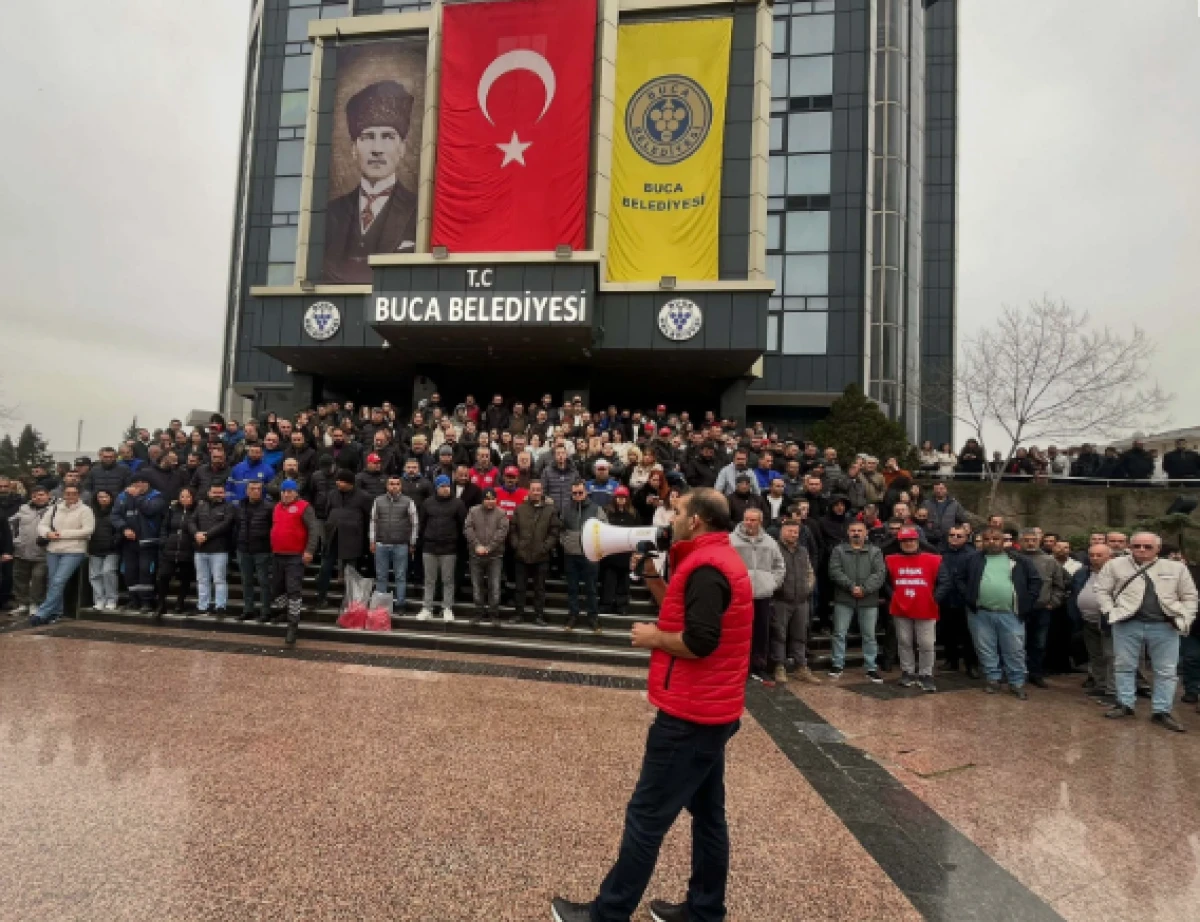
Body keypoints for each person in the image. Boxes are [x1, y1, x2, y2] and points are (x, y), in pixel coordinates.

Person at [551, 489, 752, 922]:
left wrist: (652, 639)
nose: (671, 516)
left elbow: (699, 641)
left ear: (696, 520)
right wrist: (652, 577)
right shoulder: (712, 559)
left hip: (690, 715)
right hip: (712, 711)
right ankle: (704, 910)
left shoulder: (706, 568)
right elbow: (682, 615)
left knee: (646, 818)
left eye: (678, 511)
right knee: (709, 817)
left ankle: (608, 914)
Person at [1096, 532, 1198, 732]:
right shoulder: (1114, 565)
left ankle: (1161, 711)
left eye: (1147, 547)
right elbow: (1101, 590)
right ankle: (1125, 704)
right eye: (1137, 546)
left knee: (1166, 671)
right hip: (1127, 623)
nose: (1141, 550)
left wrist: (1185, 618)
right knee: (1124, 665)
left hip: (1165, 625)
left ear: (1158, 549)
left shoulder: (1176, 568)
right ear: (1130, 546)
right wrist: (1110, 611)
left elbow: (1190, 596)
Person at [322, 80, 417, 284]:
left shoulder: (420, 212)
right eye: (367, 137)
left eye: (388, 137)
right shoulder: (330, 214)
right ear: (354, 149)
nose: (377, 148)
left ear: (402, 148)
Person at [955, 526, 1042, 698]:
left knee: (1015, 650)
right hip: (980, 613)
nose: (991, 542)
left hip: (1011, 613)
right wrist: (969, 596)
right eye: (987, 539)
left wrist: (1026, 601)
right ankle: (992, 679)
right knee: (986, 649)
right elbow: (959, 578)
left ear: (1004, 541)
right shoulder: (972, 559)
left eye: (995, 539)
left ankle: (1016, 682)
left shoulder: (1020, 560)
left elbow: (1035, 581)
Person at [730, 507, 785, 679]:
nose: (749, 523)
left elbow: (779, 566)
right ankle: (740, 667)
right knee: (739, 634)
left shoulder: (770, 542)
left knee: (761, 633)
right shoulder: (731, 540)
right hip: (740, 595)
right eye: (746, 519)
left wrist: (771, 584)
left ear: (760, 521)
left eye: (753, 520)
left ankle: (758, 667)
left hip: (762, 595)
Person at [885, 527, 943, 691]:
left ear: (918, 541)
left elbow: (944, 581)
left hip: (926, 607)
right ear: (899, 543)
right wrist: (894, 596)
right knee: (904, 642)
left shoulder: (934, 559)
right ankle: (908, 672)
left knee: (926, 643)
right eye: (904, 540)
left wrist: (934, 598)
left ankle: (926, 674)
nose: (908, 543)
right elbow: (886, 582)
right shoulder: (890, 559)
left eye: (911, 540)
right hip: (901, 607)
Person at [827, 522, 886, 681]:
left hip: (868, 599)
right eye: (853, 530)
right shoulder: (839, 550)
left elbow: (879, 574)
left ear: (866, 532)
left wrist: (864, 589)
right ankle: (837, 664)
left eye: (860, 530)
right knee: (839, 633)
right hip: (844, 598)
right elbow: (834, 571)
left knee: (869, 635)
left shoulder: (875, 551)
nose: (856, 533)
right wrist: (852, 587)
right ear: (848, 532)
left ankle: (871, 667)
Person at [31, 483, 95, 625]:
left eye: (73, 493)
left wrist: (62, 534)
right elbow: (42, 525)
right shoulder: (54, 508)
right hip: (53, 550)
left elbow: (87, 530)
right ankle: (56, 612)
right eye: (67, 493)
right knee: (53, 581)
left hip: (74, 550)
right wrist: (47, 533)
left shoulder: (85, 510)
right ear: (63, 494)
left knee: (59, 581)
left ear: (78, 495)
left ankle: (42, 613)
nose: (70, 496)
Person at [270, 479, 321, 645]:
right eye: (284, 491)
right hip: (278, 554)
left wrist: (309, 550)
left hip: (295, 556)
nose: (286, 494)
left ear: (296, 492)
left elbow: (314, 529)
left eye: (289, 491)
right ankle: (286, 611)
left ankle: (293, 625)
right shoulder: (277, 507)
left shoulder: (304, 507)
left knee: (293, 590)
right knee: (277, 589)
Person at [1018, 527, 1067, 688]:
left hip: (1042, 608)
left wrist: (1053, 602)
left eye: (1033, 540)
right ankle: (1018, 673)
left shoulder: (1049, 561)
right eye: (1027, 540)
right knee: (1017, 642)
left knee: (1038, 643)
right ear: (1021, 541)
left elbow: (1059, 585)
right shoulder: (1014, 559)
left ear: (1039, 541)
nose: (1030, 543)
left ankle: (1036, 673)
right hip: (1017, 608)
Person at [316, 470, 373, 607]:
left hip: (353, 539)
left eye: (341, 481)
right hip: (332, 537)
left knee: (351, 572)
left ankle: (350, 601)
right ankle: (321, 597)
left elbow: (368, 518)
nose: (338, 483)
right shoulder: (332, 494)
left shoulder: (364, 497)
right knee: (325, 569)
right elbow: (327, 511)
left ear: (350, 483)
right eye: (337, 480)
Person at [771, 520, 818, 685]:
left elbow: (810, 572)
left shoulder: (803, 551)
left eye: (796, 532)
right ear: (782, 531)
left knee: (800, 635)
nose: (793, 534)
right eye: (790, 531)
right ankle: (779, 666)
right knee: (779, 635)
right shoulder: (774, 549)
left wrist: (808, 588)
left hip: (801, 600)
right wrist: (777, 588)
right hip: (781, 599)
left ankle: (801, 667)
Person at [112, 474, 167, 612]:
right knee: (130, 571)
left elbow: (149, 510)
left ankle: (147, 602)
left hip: (148, 541)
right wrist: (124, 528)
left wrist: (137, 497)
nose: (140, 484)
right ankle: (134, 600)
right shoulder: (123, 496)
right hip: (128, 542)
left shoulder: (156, 496)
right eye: (136, 482)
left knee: (146, 572)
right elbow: (115, 515)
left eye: (143, 482)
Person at [509, 481, 560, 626]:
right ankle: (519, 614)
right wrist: (516, 545)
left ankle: (539, 615)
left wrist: (545, 547)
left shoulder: (551, 510)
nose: (536, 492)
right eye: (533, 490)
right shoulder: (520, 509)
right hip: (521, 554)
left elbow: (554, 532)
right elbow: (513, 530)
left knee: (540, 588)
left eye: (538, 490)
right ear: (529, 491)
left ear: (542, 491)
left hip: (541, 556)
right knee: (520, 588)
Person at [1069, 542, 1114, 703]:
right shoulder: (1083, 573)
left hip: (1109, 622)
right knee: (1096, 656)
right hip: (1087, 621)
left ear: (1110, 557)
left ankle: (1112, 691)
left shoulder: (1117, 574)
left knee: (1111, 657)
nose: (1094, 559)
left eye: (1099, 555)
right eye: (1092, 555)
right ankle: (1100, 686)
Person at [417, 476, 466, 621]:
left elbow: (462, 525)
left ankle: (447, 607)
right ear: (436, 487)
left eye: (447, 486)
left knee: (448, 579)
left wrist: (458, 545)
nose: (445, 488)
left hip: (449, 548)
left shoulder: (458, 504)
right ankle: (427, 608)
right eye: (442, 486)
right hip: (430, 547)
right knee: (429, 580)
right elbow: (422, 523)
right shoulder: (427, 503)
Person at [561, 479, 606, 631]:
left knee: (591, 588)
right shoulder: (566, 509)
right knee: (572, 588)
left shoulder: (596, 508)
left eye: (580, 492)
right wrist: (565, 543)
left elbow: (604, 528)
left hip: (590, 554)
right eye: (575, 493)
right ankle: (573, 615)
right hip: (571, 554)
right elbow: (560, 529)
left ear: (586, 492)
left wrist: (595, 546)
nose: (578, 495)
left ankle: (593, 617)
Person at [370, 475, 419, 616]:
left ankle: (400, 604)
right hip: (381, 544)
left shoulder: (408, 501)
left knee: (400, 576)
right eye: (391, 484)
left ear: (401, 486)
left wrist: (412, 542)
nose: (394, 486)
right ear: (387, 486)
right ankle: (381, 607)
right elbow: (373, 521)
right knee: (381, 576)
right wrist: (372, 541)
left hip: (401, 544)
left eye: (397, 484)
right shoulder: (378, 501)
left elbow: (414, 523)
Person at [934, 525, 979, 678]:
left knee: (968, 635)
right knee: (948, 633)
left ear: (966, 538)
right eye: (952, 535)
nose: (954, 538)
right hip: (945, 599)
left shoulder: (973, 555)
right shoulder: (941, 553)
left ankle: (971, 664)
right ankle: (951, 661)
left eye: (959, 536)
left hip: (964, 600)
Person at [464, 487, 509, 626]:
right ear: (482, 500)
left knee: (494, 586)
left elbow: (502, 533)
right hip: (475, 555)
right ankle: (479, 612)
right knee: (477, 586)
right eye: (487, 499)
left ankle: (494, 614)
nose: (490, 502)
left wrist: (489, 548)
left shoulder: (501, 513)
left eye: (493, 499)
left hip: (495, 556)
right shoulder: (473, 511)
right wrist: (477, 545)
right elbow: (468, 528)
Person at [234, 480, 276, 623]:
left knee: (264, 582)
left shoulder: (269, 507)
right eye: (252, 488)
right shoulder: (240, 506)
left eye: (258, 489)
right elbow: (237, 526)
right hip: (243, 549)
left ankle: (266, 611)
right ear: (247, 491)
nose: (256, 491)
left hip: (262, 550)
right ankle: (248, 609)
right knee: (246, 582)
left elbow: (273, 528)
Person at [8, 486, 52, 617]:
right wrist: (15, 540)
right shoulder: (23, 509)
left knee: (38, 579)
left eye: (41, 494)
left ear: (47, 495)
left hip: (42, 553)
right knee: (19, 579)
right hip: (22, 551)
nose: (38, 497)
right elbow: (10, 524)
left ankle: (35, 604)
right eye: (35, 495)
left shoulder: (53, 510)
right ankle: (22, 604)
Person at [156, 487, 198, 618]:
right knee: (164, 576)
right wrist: (164, 541)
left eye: (188, 496)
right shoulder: (172, 510)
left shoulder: (197, 511)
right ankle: (161, 604)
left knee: (185, 578)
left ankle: (180, 603)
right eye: (182, 496)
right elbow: (164, 527)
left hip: (187, 549)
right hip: (170, 548)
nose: (185, 499)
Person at [599, 486, 639, 615]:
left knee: (624, 581)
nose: (621, 500)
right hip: (610, 553)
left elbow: (637, 532)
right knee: (608, 580)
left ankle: (622, 605)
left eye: (623, 498)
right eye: (618, 497)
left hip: (626, 553)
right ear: (614, 498)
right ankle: (606, 604)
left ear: (627, 499)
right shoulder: (607, 512)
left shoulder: (633, 514)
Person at [86, 490, 122, 610]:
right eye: (100, 497)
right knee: (95, 575)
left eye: (105, 496)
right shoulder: (91, 513)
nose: (103, 499)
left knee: (108, 571)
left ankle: (112, 599)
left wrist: (115, 541)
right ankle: (99, 600)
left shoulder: (116, 512)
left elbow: (120, 529)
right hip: (95, 548)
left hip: (112, 549)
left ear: (111, 498)